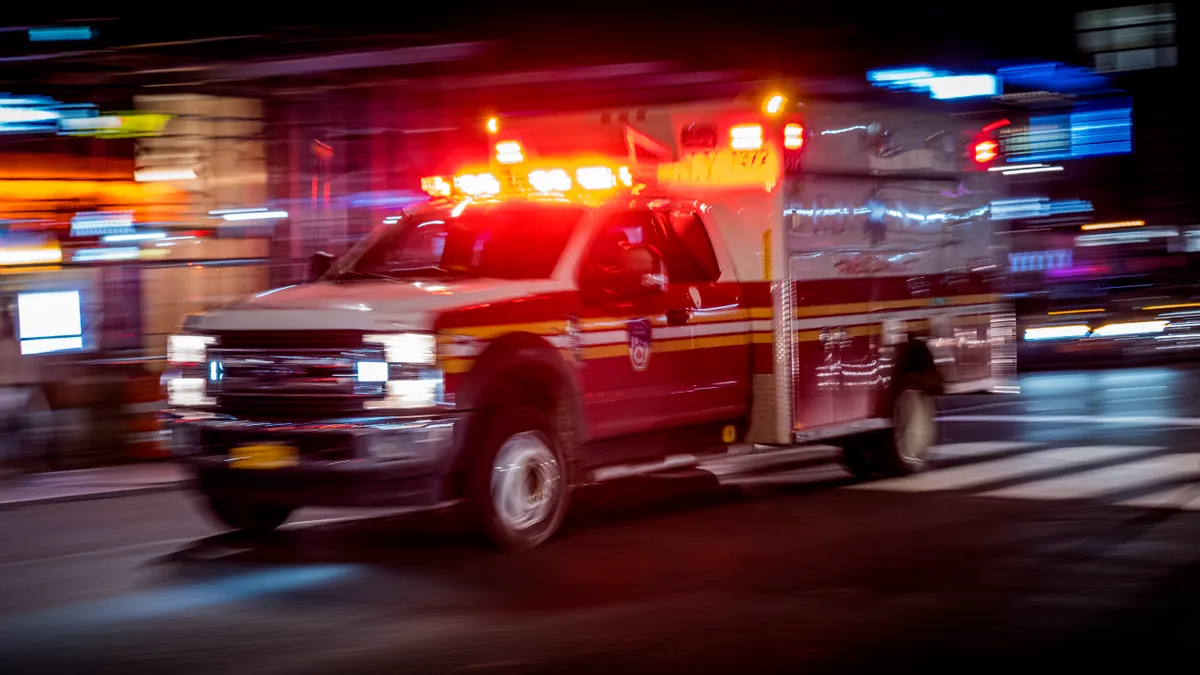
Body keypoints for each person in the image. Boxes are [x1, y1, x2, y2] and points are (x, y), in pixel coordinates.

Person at [0, 301, 50, 476]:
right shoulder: (13, 346)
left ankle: (24, 462)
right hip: (10, 394)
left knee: (22, 430)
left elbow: (32, 373)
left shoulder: (18, 345)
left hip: (21, 393)